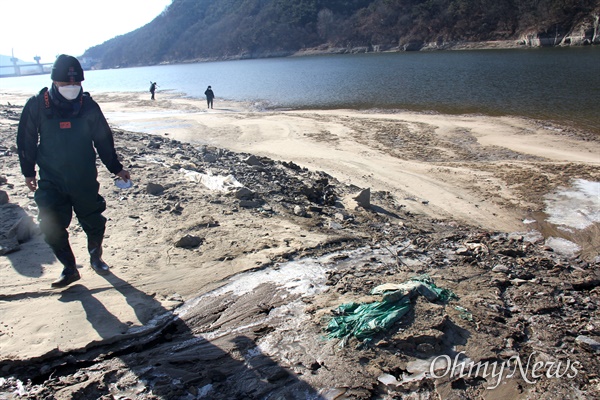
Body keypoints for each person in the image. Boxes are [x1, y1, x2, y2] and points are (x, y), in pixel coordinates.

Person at [16, 54, 131, 288]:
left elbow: (103, 139)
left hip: (84, 177)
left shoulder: (88, 106)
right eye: (66, 83)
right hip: (51, 178)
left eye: (76, 83)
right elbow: (26, 139)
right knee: (49, 223)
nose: (71, 87)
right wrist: (28, 172)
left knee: (93, 220)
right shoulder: (37, 104)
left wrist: (116, 168)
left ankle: (96, 257)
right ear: (54, 82)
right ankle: (69, 268)